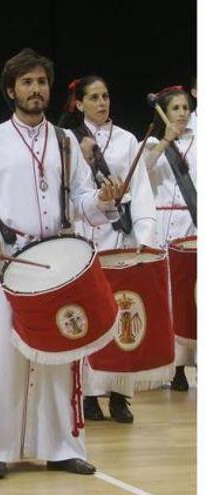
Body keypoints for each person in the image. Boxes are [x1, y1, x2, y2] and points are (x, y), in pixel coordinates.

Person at [0, 48, 123, 480]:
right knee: (2, 361)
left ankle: (62, 447)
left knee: (59, 358)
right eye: (27, 83)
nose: (36, 90)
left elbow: (81, 202)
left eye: (41, 82)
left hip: (57, 263)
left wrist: (102, 200)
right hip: (8, 262)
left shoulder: (66, 141)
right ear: (11, 90)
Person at [56, 75, 159, 423]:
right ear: (79, 103)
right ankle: (88, 393)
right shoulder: (67, 140)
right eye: (94, 97)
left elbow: (141, 190)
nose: (103, 102)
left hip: (122, 237)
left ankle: (120, 395)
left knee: (125, 311)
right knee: (93, 316)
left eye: (106, 96)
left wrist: (145, 235)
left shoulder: (128, 139)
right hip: (87, 235)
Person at [141, 85, 197, 392]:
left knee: (191, 297)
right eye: (175, 108)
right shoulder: (150, 143)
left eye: (185, 108)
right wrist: (165, 141)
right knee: (169, 298)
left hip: (192, 223)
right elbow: (142, 170)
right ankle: (172, 367)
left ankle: (191, 361)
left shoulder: (199, 142)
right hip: (163, 226)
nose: (181, 113)